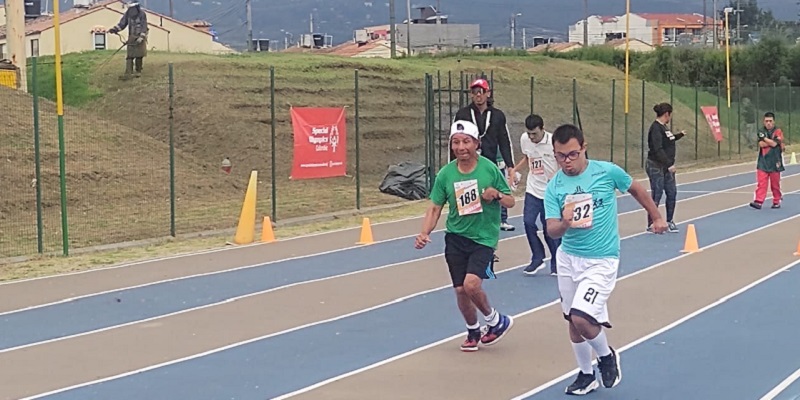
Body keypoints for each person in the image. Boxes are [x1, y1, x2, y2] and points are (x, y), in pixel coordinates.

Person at [544, 124, 667, 395]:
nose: (567, 162)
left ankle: (606, 355)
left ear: (584, 147)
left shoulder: (605, 171)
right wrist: (564, 224)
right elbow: (551, 230)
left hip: (601, 259)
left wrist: (656, 216)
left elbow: (636, 189)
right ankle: (586, 375)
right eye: (560, 156)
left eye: (572, 154)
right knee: (572, 320)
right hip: (568, 259)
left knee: (581, 316)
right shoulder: (554, 186)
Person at [416, 120, 516, 352]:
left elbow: (510, 200)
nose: (461, 147)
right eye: (456, 142)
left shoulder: (489, 169)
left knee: (472, 285)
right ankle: (473, 330)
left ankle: (495, 321)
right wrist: (424, 232)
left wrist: (497, 195)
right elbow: (434, 207)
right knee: (460, 289)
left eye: (466, 142)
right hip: (455, 236)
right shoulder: (445, 174)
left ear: (476, 144)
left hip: (483, 237)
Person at [451, 78, 516, 233]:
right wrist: (453, 165)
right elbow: (454, 140)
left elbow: (504, 140)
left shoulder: (497, 115)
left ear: (488, 93)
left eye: (481, 92)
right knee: (469, 205)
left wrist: (510, 165)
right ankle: (468, 235)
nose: (478, 95)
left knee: (490, 202)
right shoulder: (463, 114)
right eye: (474, 92)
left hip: (489, 163)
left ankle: (491, 240)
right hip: (468, 164)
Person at [512, 114, 561, 276]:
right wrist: (515, 170)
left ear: (543, 129)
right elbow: (528, 156)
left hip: (551, 191)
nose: (531, 137)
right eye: (529, 133)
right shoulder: (525, 139)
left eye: (535, 134)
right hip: (533, 189)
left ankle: (557, 261)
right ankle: (537, 257)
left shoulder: (554, 142)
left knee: (549, 230)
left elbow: (563, 162)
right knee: (528, 222)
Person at [645, 102, 684, 233]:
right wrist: (669, 164)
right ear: (667, 114)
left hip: (666, 166)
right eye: (670, 115)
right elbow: (658, 149)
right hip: (656, 165)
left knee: (672, 192)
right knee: (657, 193)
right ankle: (652, 222)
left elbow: (670, 139)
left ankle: (669, 220)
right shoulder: (656, 128)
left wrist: (680, 135)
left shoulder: (665, 128)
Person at [750, 112, 785, 209]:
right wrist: (771, 141)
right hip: (763, 161)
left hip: (775, 161)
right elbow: (761, 144)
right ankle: (758, 201)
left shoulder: (778, 131)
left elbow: (775, 144)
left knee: (775, 184)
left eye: (770, 121)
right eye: (766, 121)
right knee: (761, 183)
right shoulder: (761, 130)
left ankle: (777, 200)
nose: (768, 123)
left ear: (773, 122)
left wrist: (765, 139)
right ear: (763, 122)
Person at [108, 1, 149, 80]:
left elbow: (144, 26)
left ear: (136, 8)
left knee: (139, 55)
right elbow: (122, 24)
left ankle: (138, 71)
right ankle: (128, 72)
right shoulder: (127, 14)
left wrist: (141, 37)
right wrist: (115, 29)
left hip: (140, 36)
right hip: (131, 36)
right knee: (130, 55)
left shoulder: (142, 14)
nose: (131, 11)